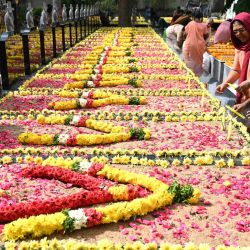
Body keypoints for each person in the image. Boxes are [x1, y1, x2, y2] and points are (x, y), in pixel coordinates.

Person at [216, 12, 250, 112]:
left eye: (241, 30)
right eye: (235, 32)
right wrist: (225, 84)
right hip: (246, 95)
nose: (238, 34)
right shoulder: (240, 48)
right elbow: (237, 69)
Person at [182, 11, 208, 76]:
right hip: (200, 46)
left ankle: (189, 79)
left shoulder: (190, 24)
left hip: (189, 45)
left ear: (193, 17)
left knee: (189, 63)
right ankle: (197, 81)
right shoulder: (204, 25)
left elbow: (184, 33)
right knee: (198, 64)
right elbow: (206, 35)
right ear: (201, 18)